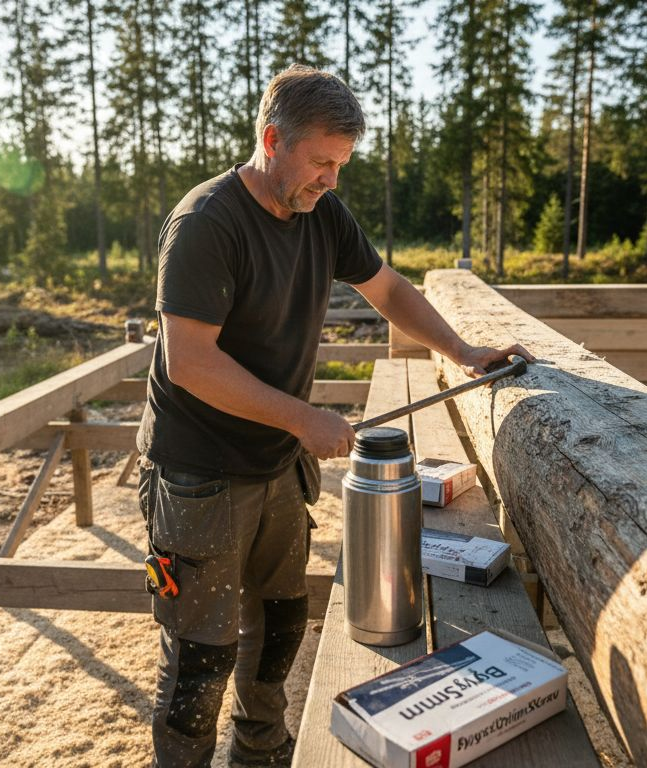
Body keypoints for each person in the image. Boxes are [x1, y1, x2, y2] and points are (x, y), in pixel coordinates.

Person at [135, 65, 532, 767]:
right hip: (199, 477)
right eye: (321, 161)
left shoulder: (322, 213)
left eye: (341, 164)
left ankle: (259, 755)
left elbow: (388, 289)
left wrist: (465, 352)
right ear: (272, 141)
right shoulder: (206, 223)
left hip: (275, 466)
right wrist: (301, 418)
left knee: (280, 627)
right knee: (201, 658)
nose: (332, 179)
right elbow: (188, 362)